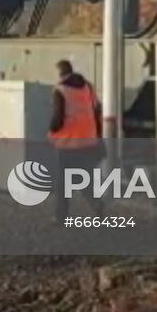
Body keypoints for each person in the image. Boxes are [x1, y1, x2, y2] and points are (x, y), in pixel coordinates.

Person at [49, 59, 106, 220]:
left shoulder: (60, 90)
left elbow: (57, 118)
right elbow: (97, 110)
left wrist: (51, 130)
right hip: (88, 141)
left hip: (68, 143)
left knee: (63, 182)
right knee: (83, 178)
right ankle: (96, 204)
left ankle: (61, 216)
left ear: (59, 73)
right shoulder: (87, 87)